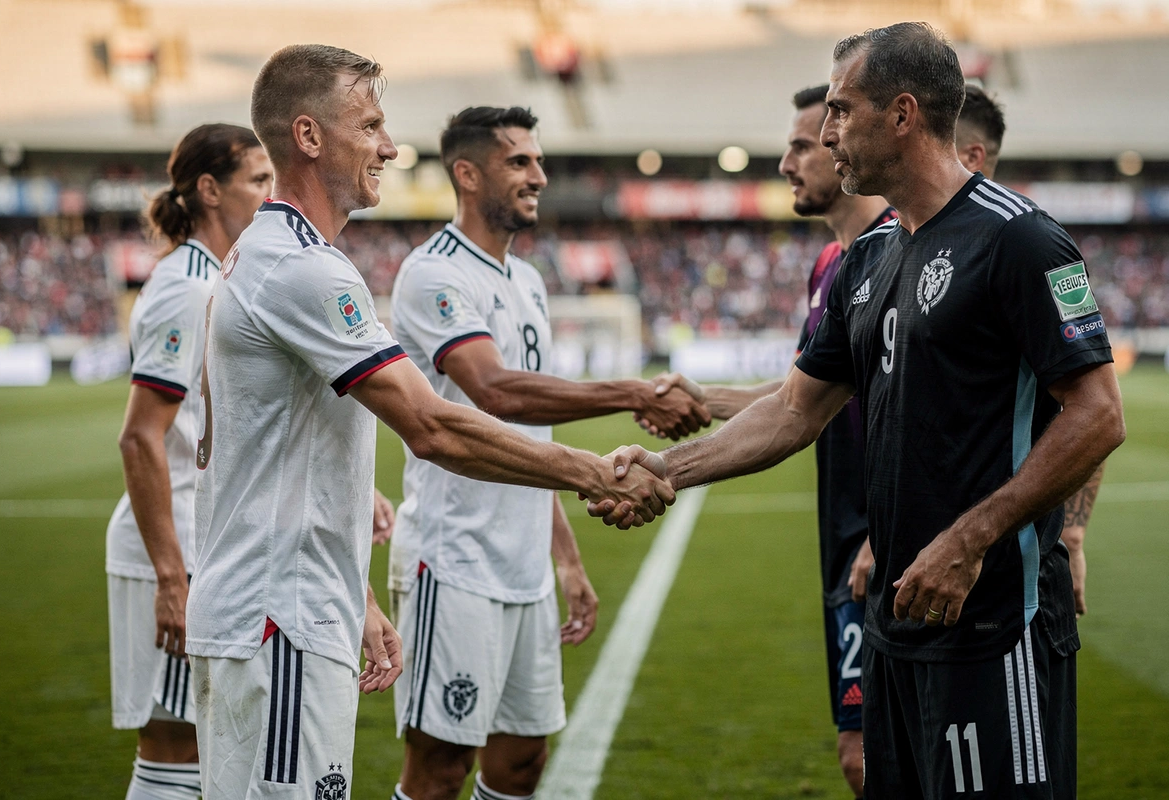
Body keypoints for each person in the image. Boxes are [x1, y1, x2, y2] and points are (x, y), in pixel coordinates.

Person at [594, 23, 1123, 798]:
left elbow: (1098, 414)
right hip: (894, 627)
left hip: (993, 627)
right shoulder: (867, 261)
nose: (828, 131)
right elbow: (792, 411)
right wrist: (664, 471)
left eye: (841, 110)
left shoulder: (1020, 241)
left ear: (902, 114)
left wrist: (970, 539)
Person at [185, 44, 673, 800]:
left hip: (292, 607)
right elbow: (433, 425)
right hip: (274, 619)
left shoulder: (285, 257)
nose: (388, 145)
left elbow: (295, 459)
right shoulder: (301, 267)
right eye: (371, 125)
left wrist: (357, 597)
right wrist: (588, 471)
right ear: (310, 137)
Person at [386, 106, 710, 800]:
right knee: (440, 770)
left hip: (525, 563)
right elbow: (496, 392)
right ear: (467, 175)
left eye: (538, 160)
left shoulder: (527, 282)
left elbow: (534, 436)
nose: (540, 175)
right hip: (455, 560)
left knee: (522, 762)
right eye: (520, 162)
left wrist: (565, 558)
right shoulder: (431, 273)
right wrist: (631, 392)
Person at [641, 86, 893, 798]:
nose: (784, 163)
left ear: (844, 145)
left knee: (880, 753)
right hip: (843, 535)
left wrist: (893, 530)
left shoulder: (897, 254)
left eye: (801, 145)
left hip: (888, 542)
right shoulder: (830, 267)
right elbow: (799, 399)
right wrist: (700, 400)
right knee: (866, 751)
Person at [104, 123, 271, 800]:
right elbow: (141, 437)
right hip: (173, 550)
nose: (272, 194)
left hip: (211, 544)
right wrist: (172, 578)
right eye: (258, 180)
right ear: (209, 190)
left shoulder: (222, 279)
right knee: (179, 743)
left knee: (216, 745)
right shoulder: (187, 288)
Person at [956, 83, 1103, 618]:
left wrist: (1077, 532)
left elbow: (1094, 407)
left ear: (973, 155)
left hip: (1004, 590)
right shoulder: (894, 241)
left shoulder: (1030, 242)